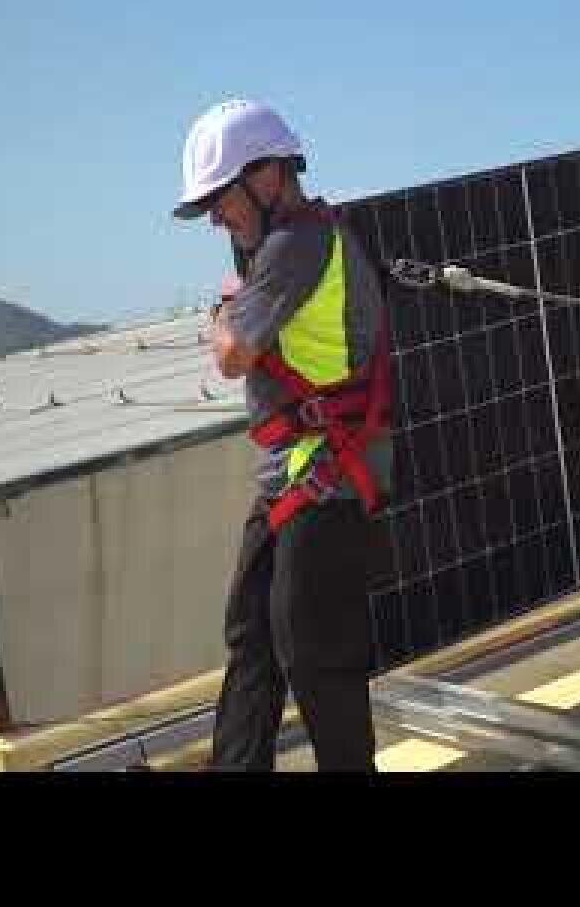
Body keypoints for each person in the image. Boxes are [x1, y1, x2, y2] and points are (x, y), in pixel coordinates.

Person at [173, 99, 393, 770]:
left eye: (221, 197)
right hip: (297, 475)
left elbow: (232, 354)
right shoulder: (286, 244)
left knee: (313, 652)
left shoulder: (296, 245)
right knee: (253, 635)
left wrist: (220, 310)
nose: (215, 216)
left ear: (268, 175)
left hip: (328, 475)